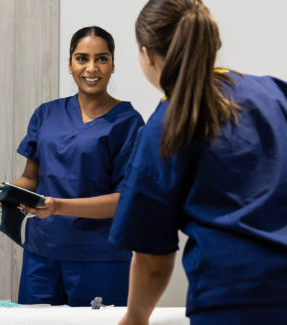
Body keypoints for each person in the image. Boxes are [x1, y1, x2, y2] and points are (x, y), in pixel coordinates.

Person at [108, 0, 287, 324]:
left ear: (147, 55)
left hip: (232, 303)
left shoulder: (166, 125)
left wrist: (135, 317)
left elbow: (153, 263)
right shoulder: (273, 94)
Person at [0, 26, 145, 307]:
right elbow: (30, 179)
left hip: (100, 257)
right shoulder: (46, 114)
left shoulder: (127, 122)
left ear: (112, 66)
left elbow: (126, 201)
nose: (92, 68)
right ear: (70, 65)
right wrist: (9, 191)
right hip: (42, 253)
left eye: (102, 58)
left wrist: (58, 207)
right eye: (82, 58)